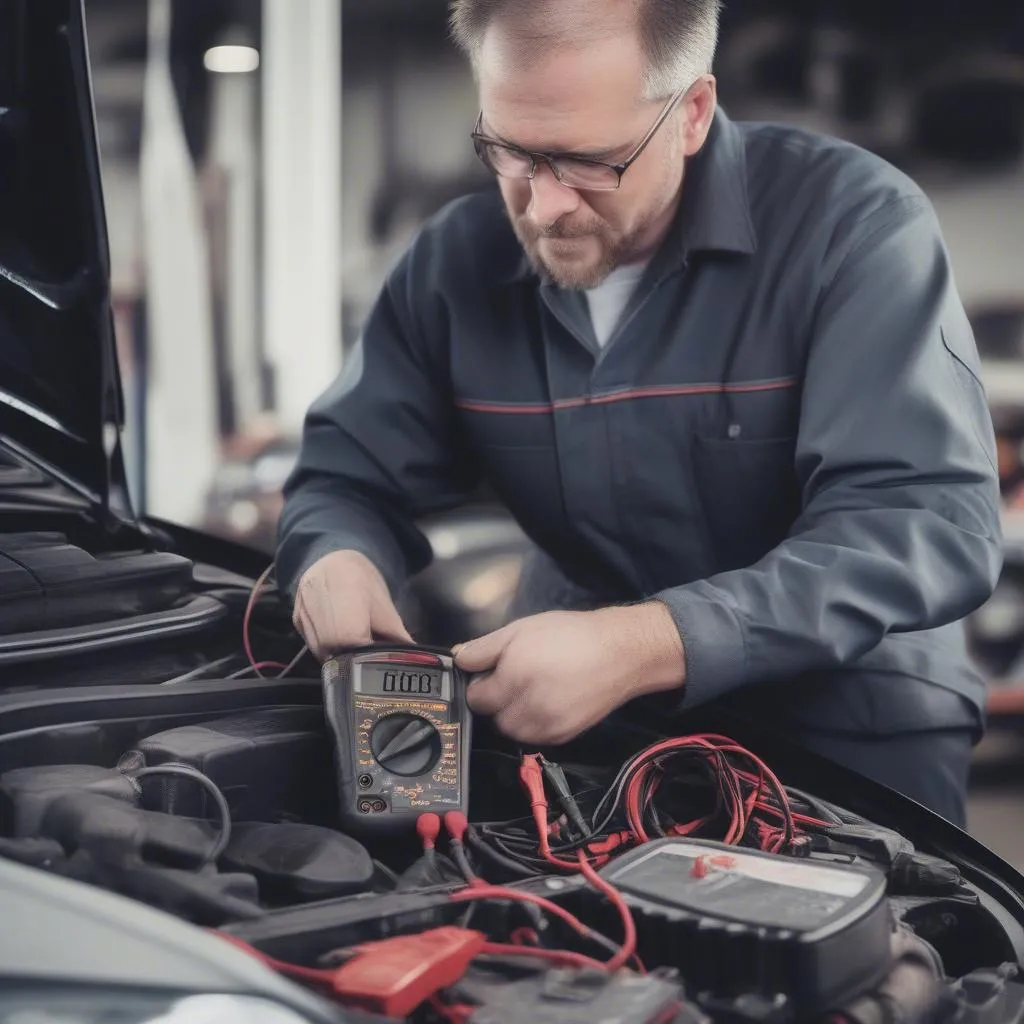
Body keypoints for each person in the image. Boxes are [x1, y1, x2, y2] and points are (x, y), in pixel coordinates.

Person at [277, 0, 1003, 827]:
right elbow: (346, 475)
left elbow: (925, 522)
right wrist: (335, 555)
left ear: (690, 113)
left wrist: (644, 644)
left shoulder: (853, 226)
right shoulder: (450, 265)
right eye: (509, 150)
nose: (543, 206)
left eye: (586, 162)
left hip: (848, 721)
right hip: (578, 714)